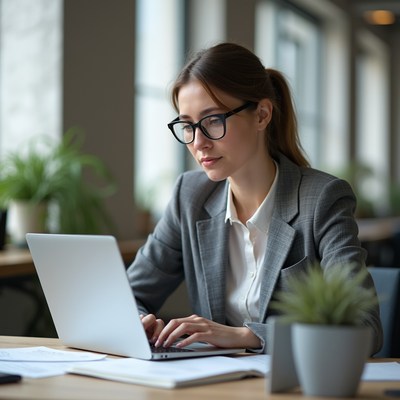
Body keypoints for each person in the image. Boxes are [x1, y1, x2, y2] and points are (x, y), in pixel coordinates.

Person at [126, 42, 383, 354]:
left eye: (212, 120)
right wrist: (139, 322)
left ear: (261, 115)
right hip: (211, 385)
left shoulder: (322, 200)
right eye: (188, 126)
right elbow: (128, 294)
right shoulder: (190, 197)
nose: (199, 143)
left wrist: (246, 336)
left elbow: (363, 329)